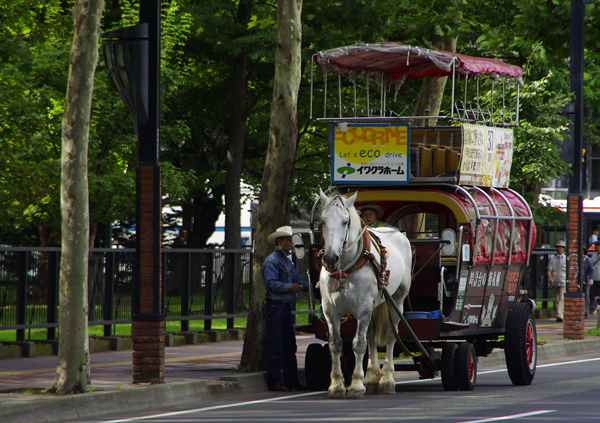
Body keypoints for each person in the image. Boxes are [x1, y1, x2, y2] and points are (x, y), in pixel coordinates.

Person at [262, 225, 309, 392]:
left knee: (289, 345)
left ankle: (290, 380)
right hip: (275, 307)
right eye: (288, 239)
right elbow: (270, 283)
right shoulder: (272, 261)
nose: (291, 242)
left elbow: (298, 281)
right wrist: (291, 287)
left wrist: (314, 287)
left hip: (283, 306)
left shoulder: (287, 261)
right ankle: (274, 381)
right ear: (279, 241)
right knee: (277, 346)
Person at [547, 240, 567, 322]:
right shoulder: (552, 259)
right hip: (555, 281)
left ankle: (560, 315)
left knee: (561, 298)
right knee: (556, 299)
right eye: (557, 247)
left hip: (563, 281)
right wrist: (550, 278)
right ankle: (558, 314)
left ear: (563, 248)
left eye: (560, 247)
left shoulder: (566, 259)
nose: (558, 249)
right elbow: (548, 270)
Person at [582, 247, 594, 318]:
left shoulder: (588, 259)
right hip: (578, 280)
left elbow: (591, 270)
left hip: (586, 280)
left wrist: (591, 278)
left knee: (586, 296)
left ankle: (585, 312)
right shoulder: (576, 259)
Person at [590, 241, 600, 315]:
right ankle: (595, 307)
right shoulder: (594, 256)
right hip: (595, 278)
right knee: (592, 294)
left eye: (597, 246)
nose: (596, 248)